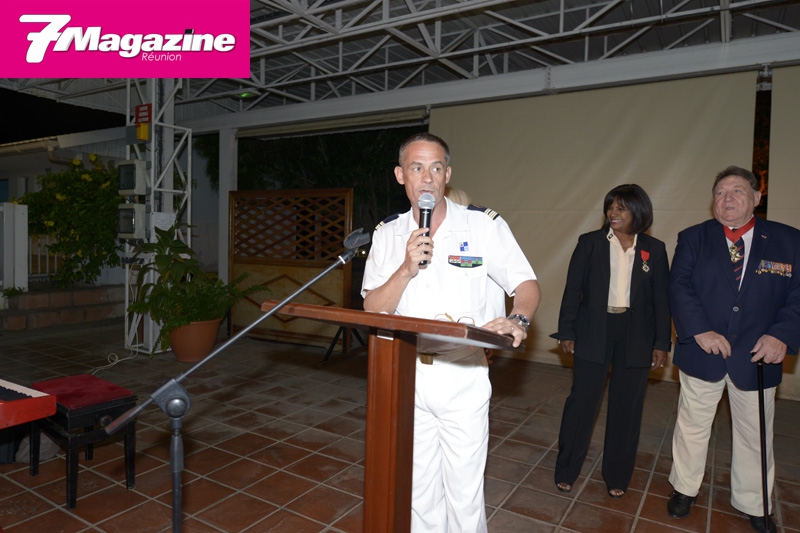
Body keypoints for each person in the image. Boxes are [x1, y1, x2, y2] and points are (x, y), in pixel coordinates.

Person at [361, 132, 540, 532]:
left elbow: (526, 283)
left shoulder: (482, 225)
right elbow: (373, 308)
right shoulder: (387, 233)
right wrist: (405, 269)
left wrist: (519, 319)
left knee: (463, 493)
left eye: (436, 168)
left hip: (463, 372)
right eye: (416, 168)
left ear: (448, 174)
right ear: (400, 176)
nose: (426, 178)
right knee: (419, 490)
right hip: (407, 373)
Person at [667, 166, 800, 533]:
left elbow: (797, 295)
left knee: (755, 434)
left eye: (738, 191)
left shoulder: (789, 240)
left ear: (756, 197)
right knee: (692, 426)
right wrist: (700, 330)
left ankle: (754, 502)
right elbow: (678, 286)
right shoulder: (693, 238)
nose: (727, 198)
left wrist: (781, 336)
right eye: (720, 192)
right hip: (703, 351)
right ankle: (684, 488)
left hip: (758, 356)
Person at [550, 184, 671, 498]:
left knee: (627, 407)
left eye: (621, 208)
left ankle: (617, 474)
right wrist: (567, 331)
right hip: (594, 329)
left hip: (637, 334)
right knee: (582, 402)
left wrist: (661, 342)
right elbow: (573, 289)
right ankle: (567, 469)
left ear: (638, 211)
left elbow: (661, 300)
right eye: (610, 207)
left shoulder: (654, 249)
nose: (613, 213)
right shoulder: (590, 243)